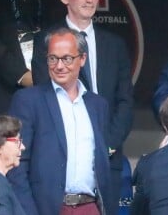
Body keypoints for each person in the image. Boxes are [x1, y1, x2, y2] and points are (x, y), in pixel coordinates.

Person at [32, 0, 133, 214]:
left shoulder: (115, 44)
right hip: (64, 158)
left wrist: (108, 144)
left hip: (108, 155)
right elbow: (46, 97)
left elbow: (125, 100)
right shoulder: (47, 40)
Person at [7, 27, 111, 215]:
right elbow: (16, 164)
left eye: (67, 59)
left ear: (83, 59)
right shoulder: (28, 100)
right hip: (46, 209)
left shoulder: (98, 105)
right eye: (53, 58)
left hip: (89, 207)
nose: (59, 66)